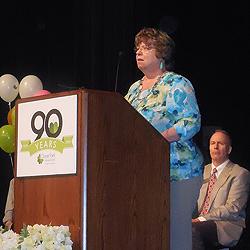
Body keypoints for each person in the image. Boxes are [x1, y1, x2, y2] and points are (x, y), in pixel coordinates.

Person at [125, 27, 203, 250]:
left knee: (175, 237)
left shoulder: (177, 83)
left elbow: (191, 122)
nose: (139, 52)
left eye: (146, 47)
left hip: (179, 172)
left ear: (162, 53)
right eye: (137, 48)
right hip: (144, 174)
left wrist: (157, 139)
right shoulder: (133, 89)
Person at [192, 130, 250, 249]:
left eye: (220, 143)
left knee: (192, 230)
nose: (216, 146)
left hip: (225, 225)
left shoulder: (240, 173)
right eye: (212, 143)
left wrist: (202, 219)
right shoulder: (203, 170)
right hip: (200, 221)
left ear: (229, 149)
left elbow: (233, 208)